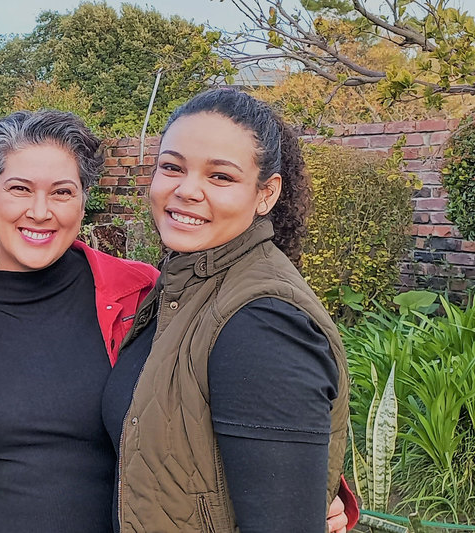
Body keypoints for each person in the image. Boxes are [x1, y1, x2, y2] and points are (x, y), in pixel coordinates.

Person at [0, 109, 355, 533]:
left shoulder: (143, 294)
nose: (40, 211)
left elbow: (215, 405)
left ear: (84, 200)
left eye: (62, 192)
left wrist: (312, 497)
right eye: (20, 189)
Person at [104, 88, 356, 532]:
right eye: (172, 167)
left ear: (266, 194)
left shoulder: (262, 322)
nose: (186, 190)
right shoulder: (182, 286)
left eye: (220, 177)